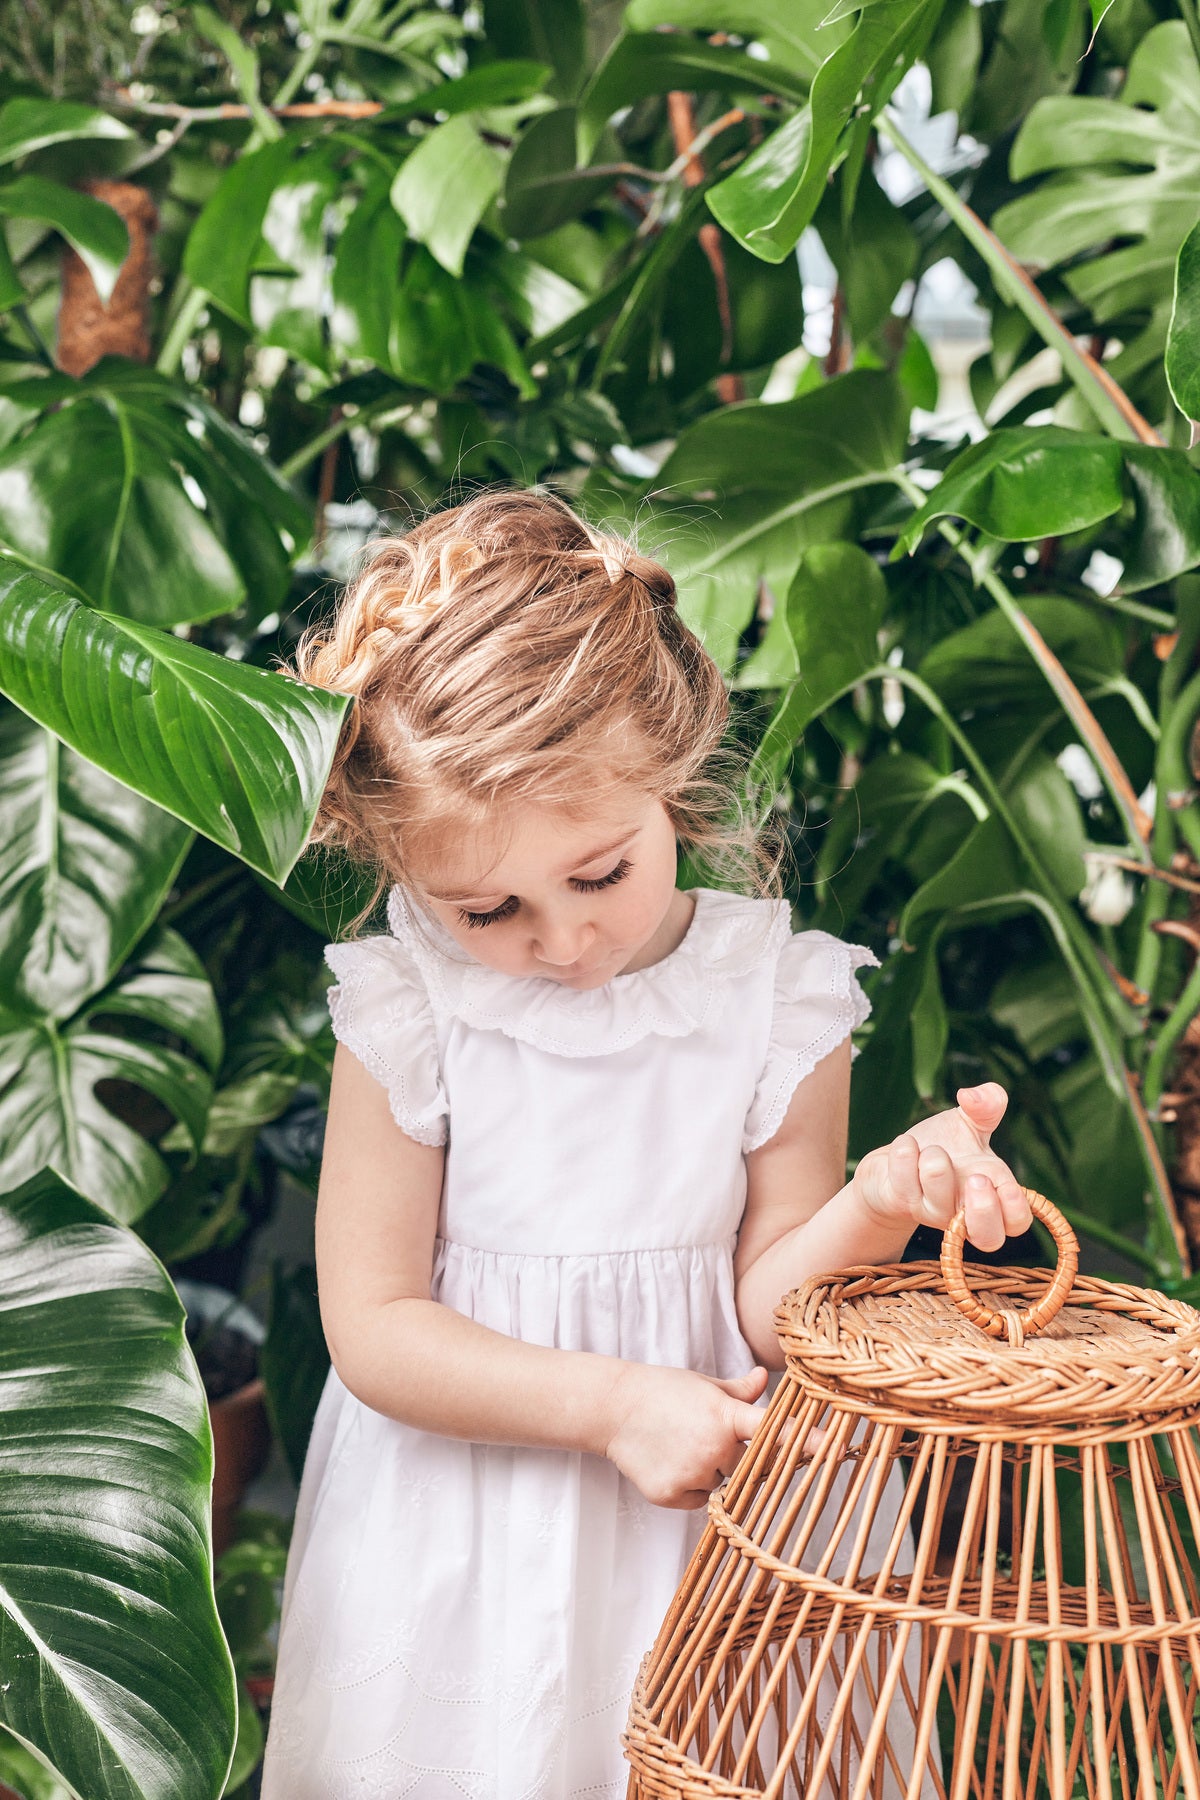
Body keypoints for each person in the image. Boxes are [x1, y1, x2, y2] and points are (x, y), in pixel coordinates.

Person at [259, 488, 1031, 1799]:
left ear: (672, 779)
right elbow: (375, 1324)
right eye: (487, 907)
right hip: (467, 1528)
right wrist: (614, 1406)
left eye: (601, 874)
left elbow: (776, 1309)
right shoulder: (413, 1002)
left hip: (732, 1533)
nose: (562, 943)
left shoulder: (775, 994)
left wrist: (881, 1202)